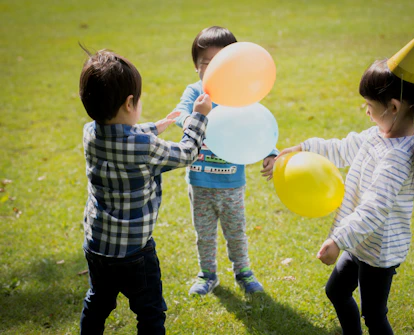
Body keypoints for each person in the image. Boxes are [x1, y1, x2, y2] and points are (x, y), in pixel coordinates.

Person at [276, 22, 414, 334]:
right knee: (336, 291)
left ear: (393, 107)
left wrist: (338, 239)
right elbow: (343, 147)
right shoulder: (379, 133)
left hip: (378, 251)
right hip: (358, 240)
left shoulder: (398, 157)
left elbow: (374, 208)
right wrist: (305, 148)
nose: (365, 111)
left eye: (369, 105)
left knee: (374, 316)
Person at [78, 46, 212, 334]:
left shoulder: (90, 132)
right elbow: (187, 152)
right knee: (150, 311)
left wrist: (156, 126)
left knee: (98, 301)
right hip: (134, 252)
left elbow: (125, 134)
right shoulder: (144, 147)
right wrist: (199, 117)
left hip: (97, 245)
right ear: (130, 103)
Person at [172, 26, 277, 296]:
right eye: (205, 63)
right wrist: (195, 117)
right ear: (196, 66)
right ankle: (207, 274)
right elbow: (179, 114)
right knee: (204, 235)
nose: (211, 69)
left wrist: (270, 152)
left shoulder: (239, 96)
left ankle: (243, 271)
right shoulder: (195, 92)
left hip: (231, 183)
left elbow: (257, 127)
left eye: (218, 62)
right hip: (200, 181)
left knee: (236, 233)